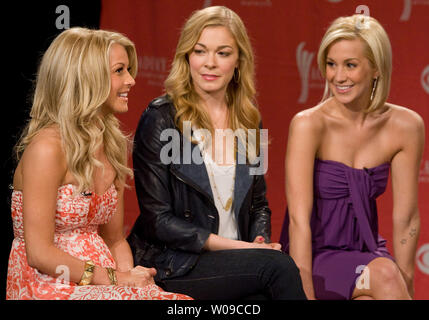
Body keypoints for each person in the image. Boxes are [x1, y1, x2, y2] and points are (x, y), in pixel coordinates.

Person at [127, 6, 306, 300]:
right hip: (177, 263)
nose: (209, 63)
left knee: (266, 287)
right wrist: (247, 250)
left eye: (222, 53)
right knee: (279, 268)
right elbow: (157, 220)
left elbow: (258, 203)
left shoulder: (249, 118)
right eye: (200, 51)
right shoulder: (161, 118)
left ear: (238, 61)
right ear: (187, 57)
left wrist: (260, 240)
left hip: (238, 259)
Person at [6, 27, 191, 300]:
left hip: (105, 282)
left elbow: (115, 240)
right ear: (86, 78)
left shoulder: (111, 144)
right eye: (119, 71)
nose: (131, 80)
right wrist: (117, 279)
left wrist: (134, 283)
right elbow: (39, 253)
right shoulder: (46, 149)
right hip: (50, 283)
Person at [279, 14, 425, 300]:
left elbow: (406, 219)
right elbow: (298, 220)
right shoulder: (309, 124)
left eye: (350, 65)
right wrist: (303, 291)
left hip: (367, 253)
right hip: (314, 256)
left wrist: (405, 284)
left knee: (380, 281)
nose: (338, 76)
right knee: (382, 273)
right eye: (331, 64)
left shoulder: (406, 126)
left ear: (376, 69)